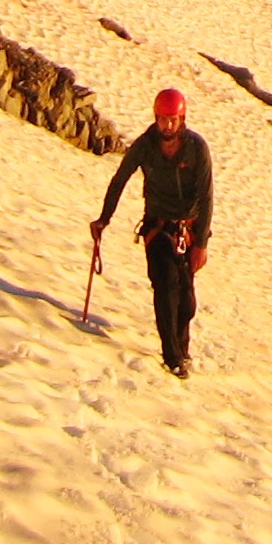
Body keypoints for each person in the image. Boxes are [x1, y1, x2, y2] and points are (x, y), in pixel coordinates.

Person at [93, 86, 213, 376]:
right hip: (158, 226)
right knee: (166, 285)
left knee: (186, 301)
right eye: (163, 119)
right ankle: (172, 357)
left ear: (182, 119)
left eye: (173, 120)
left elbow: (206, 195)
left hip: (188, 230)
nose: (167, 125)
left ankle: (182, 349)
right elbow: (120, 180)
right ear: (156, 118)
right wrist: (104, 219)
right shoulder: (145, 146)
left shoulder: (196, 148)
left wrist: (201, 243)